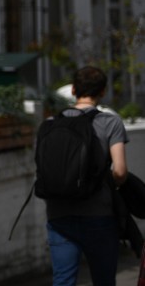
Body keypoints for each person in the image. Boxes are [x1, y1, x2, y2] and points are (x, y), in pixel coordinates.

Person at [45, 65, 128, 286]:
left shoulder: (50, 124)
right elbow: (119, 171)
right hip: (98, 214)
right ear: (102, 92)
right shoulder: (110, 122)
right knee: (103, 281)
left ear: (73, 90)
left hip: (58, 214)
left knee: (63, 281)